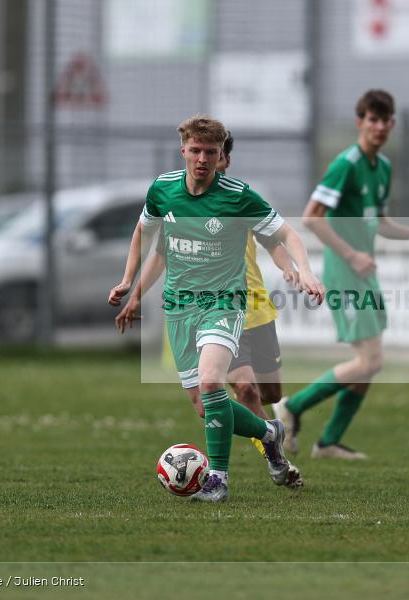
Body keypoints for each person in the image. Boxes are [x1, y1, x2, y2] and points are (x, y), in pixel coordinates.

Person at [110, 115, 323, 502]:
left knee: (215, 384)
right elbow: (149, 237)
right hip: (180, 308)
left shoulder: (238, 195)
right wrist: (130, 285)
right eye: (195, 151)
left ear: (222, 155)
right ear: (184, 151)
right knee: (204, 404)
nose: (202, 159)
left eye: (211, 152)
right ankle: (269, 432)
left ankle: (218, 481)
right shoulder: (162, 190)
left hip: (224, 303)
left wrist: (302, 270)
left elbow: (285, 234)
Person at [274, 89, 409, 461]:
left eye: (386, 120)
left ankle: (328, 442)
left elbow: (380, 224)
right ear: (360, 122)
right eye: (373, 119)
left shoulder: (382, 167)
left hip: (363, 272)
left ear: (392, 124)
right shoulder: (346, 164)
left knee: (370, 364)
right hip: (344, 272)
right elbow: (311, 218)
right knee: (370, 362)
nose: (380, 126)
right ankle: (292, 407)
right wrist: (352, 255)